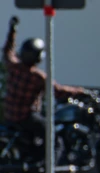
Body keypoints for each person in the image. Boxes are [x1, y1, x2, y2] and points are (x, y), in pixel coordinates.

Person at [3, 16, 85, 144]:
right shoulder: (37, 77)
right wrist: (80, 91)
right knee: (53, 138)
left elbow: (8, 51)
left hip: (10, 115)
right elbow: (58, 91)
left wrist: (12, 30)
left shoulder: (14, 66)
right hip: (26, 117)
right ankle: (48, 158)